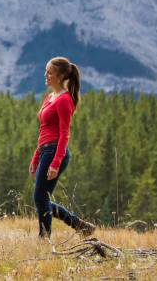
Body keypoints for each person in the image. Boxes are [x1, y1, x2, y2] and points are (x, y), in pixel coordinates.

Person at [29, 57, 95, 238]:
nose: (46, 75)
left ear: (60, 76)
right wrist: (36, 157)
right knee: (42, 198)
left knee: (40, 197)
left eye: (50, 72)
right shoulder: (50, 97)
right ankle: (80, 225)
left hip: (55, 152)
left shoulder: (65, 100)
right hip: (45, 151)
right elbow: (44, 130)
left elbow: (64, 134)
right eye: (46, 71)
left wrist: (56, 163)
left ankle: (44, 238)